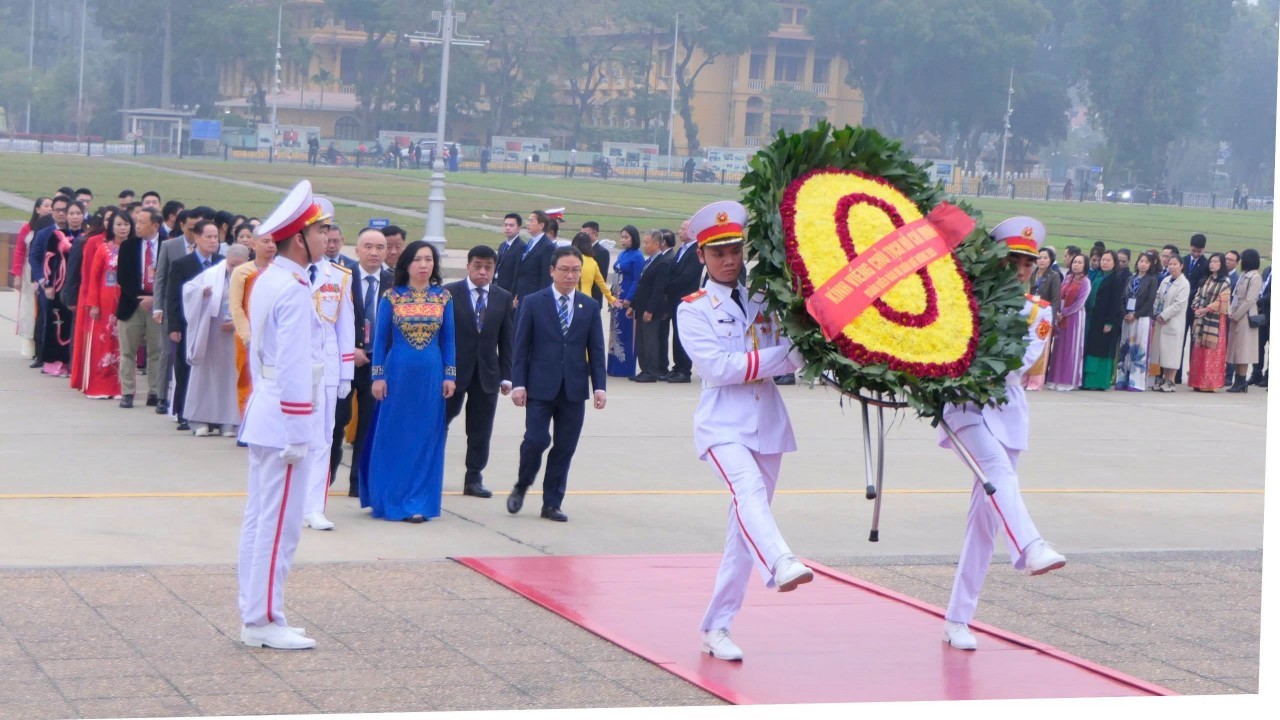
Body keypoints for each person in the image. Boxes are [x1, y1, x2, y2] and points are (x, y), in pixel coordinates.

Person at [673, 201, 809, 662]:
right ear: (702, 257)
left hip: (767, 422)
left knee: (743, 532)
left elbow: (798, 356)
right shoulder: (692, 309)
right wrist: (777, 359)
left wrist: (785, 355)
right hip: (722, 424)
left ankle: (717, 625)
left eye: (734, 250)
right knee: (747, 492)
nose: (729, 260)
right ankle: (783, 562)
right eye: (718, 253)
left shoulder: (764, 300)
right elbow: (716, 367)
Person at [939, 216, 1066, 652]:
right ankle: (1031, 545)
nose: (1019, 269)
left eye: (1027, 263)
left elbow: (1020, 362)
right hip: (963, 407)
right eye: (1012, 259)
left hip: (1005, 410)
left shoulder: (1039, 310)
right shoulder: (964, 298)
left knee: (984, 522)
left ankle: (958, 617)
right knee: (998, 473)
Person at [237, 179, 330, 650]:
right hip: (284, 418)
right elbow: (293, 366)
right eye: (322, 230)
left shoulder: (271, 279)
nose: (328, 238)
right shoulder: (291, 287)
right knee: (279, 525)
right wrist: (300, 429)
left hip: (267, 411)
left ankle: (257, 612)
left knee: (261, 519)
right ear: (301, 238)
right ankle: (264, 619)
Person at [505, 246, 607, 523]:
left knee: (565, 447)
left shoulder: (589, 306)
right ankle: (522, 484)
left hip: (573, 389)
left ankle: (552, 502)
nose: (571, 275)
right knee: (536, 440)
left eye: (576, 270)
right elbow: (521, 347)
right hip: (539, 386)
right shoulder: (533, 302)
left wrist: (599, 386)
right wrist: (518, 384)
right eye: (565, 269)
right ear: (552, 271)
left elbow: (596, 350)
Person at [359, 241, 456, 523]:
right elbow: (379, 340)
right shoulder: (392, 297)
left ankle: (419, 502)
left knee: (426, 437)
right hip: (397, 374)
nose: (424, 265)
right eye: (417, 260)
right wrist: (377, 375)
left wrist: (450, 374)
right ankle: (390, 498)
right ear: (407, 264)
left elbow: (448, 339)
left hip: (431, 376)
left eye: (428, 260)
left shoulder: (444, 298)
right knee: (394, 435)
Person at [445, 245, 514, 499]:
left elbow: (508, 340)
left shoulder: (503, 297)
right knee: (440, 422)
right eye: (477, 266)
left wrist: (507, 375)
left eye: (488, 267)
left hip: (487, 373)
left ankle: (473, 477)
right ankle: (430, 471)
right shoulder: (449, 293)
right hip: (453, 374)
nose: (482, 272)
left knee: (480, 429)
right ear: (468, 266)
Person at [302, 229, 356, 531]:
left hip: (326, 370)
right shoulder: (282, 274)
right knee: (290, 440)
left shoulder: (337, 276)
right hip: (292, 370)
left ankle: (314, 507)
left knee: (323, 439)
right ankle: (290, 505)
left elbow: (344, 328)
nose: (326, 241)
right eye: (318, 234)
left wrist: (345, 374)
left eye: (328, 234)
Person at [182, 245, 248, 436]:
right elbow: (188, 290)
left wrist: (237, 323)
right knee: (207, 376)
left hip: (236, 335)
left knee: (232, 377)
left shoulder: (251, 277)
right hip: (212, 333)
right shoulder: (211, 274)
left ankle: (230, 421)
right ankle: (200, 419)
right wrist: (201, 294)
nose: (233, 270)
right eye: (231, 265)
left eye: (238, 266)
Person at [166, 220, 226, 431]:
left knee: (212, 370)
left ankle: (213, 414)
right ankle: (184, 412)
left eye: (216, 238)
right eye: (208, 237)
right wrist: (173, 326)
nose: (213, 241)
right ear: (197, 238)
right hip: (188, 324)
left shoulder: (222, 263)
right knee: (185, 368)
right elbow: (173, 297)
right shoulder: (182, 264)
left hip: (214, 326)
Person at [347, 228, 392, 497]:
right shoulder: (342, 278)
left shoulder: (395, 283)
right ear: (357, 250)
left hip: (378, 365)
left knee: (368, 428)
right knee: (336, 421)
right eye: (368, 246)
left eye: (380, 247)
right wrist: (348, 349)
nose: (374, 252)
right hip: (345, 362)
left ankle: (358, 483)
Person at [114, 209, 166, 409]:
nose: (137, 226)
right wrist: (140, 298)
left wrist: (154, 298)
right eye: (137, 222)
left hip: (157, 306)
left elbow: (170, 276)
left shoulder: (168, 244)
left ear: (155, 225)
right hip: (132, 304)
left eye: (142, 222)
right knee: (128, 351)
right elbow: (123, 277)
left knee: (156, 351)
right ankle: (127, 392)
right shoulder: (129, 246)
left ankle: (154, 391)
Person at [35, 200, 85, 377]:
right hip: (59, 285)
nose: (74, 217)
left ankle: (75, 362)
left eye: (78, 213)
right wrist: (48, 285)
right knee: (58, 323)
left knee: (77, 323)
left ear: (84, 215)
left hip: (81, 285)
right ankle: (56, 363)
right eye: (70, 213)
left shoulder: (87, 235)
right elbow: (48, 260)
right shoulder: (56, 235)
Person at [231, 232, 277, 417]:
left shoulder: (281, 270)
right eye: (265, 241)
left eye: (274, 242)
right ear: (253, 244)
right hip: (247, 336)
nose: (271, 246)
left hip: (274, 336)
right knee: (247, 380)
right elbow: (236, 307)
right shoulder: (242, 272)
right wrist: (248, 336)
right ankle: (247, 423)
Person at [629, 229, 673, 382]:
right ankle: (644, 369)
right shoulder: (649, 261)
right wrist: (633, 305)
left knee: (650, 340)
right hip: (641, 307)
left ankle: (651, 371)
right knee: (641, 340)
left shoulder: (662, 263)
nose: (644, 246)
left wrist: (650, 310)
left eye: (647, 243)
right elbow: (641, 285)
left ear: (657, 244)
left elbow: (658, 290)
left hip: (651, 310)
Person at [12, 197, 53, 359]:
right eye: (46, 206)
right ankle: (29, 345)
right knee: (29, 308)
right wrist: (17, 274)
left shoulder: (53, 227)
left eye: (51, 206)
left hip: (47, 269)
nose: (49, 209)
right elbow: (20, 251)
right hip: (30, 270)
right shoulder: (27, 228)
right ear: (37, 209)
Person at [1115, 251, 1160, 392]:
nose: (1143, 264)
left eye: (1146, 262)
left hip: (1141, 318)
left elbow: (1150, 301)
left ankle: (1136, 381)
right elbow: (1123, 297)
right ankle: (1122, 379)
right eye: (1141, 261)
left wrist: (1136, 314)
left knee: (1138, 347)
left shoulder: (1152, 280)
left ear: (1151, 264)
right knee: (1125, 347)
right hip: (1127, 317)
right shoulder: (1131, 278)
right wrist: (1125, 313)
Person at [665, 220, 703, 383]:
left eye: (683, 229)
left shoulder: (696, 250)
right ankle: (678, 366)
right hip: (675, 298)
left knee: (684, 334)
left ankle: (684, 369)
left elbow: (688, 276)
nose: (679, 231)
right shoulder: (682, 249)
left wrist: (668, 286)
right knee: (677, 333)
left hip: (686, 297)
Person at [1187, 253, 1231, 392]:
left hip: (1215, 321)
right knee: (1199, 350)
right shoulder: (1206, 279)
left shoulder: (1225, 281)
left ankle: (1210, 383)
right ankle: (1197, 381)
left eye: (1216, 262)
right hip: (1201, 319)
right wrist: (1196, 308)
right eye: (1211, 261)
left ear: (1221, 264)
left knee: (1212, 352)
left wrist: (1206, 309)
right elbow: (1198, 295)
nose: (1212, 264)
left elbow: (1221, 302)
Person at [1045, 255, 1090, 392]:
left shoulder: (1085, 282)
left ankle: (1069, 380)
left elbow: (1079, 303)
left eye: (1079, 262)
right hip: (1061, 316)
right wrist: (1058, 312)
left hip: (1074, 318)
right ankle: (1055, 378)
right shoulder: (1067, 278)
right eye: (1075, 262)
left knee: (1071, 348)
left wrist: (1064, 313)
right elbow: (1059, 295)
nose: (1076, 265)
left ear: (1084, 265)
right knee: (1058, 348)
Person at [1081, 251, 1123, 390]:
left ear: (1114, 263)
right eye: (1103, 260)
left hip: (1106, 320)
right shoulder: (1097, 275)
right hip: (1093, 317)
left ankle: (1099, 382)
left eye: (1108, 260)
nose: (1104, 262)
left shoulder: (1115, 279)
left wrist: (1109, 322)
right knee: (1091, 348)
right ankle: (1088, 380)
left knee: (1102, 350)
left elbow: (1115, 303)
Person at [608, 225, 645, 378]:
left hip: (626, 298)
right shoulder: (623, 254)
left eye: (626, 237)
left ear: (633, 238)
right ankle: (613, 366)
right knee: (615, 332)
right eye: (622, 237)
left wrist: (629, 298)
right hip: (616, 297)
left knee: (626, 331)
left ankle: (625, 367)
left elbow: (638, 279)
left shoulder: (637, 256)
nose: (622, 240)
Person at [1151, 255, 1191, 392]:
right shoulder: (1166, 280)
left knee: (1171, 352)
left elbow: (1178, 304)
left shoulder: (1184, 283)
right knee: (1159, 352)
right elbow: (1157, 297)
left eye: (1175, 264)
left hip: (1173, 322)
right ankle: (1159, 377)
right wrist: (1156, 312)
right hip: (1160, 321)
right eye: (1170, 264)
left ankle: (1170, 380)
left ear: (1181, 266)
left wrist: (1164, 315)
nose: (1172, 267)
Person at [1023, 247, 1062, 390]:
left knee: (1040, 350)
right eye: (1039, 257)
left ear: (1051, 260)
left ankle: (1035, 381)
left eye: (1045, 257)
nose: (1041, 260)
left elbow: (1055, 299)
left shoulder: (1054, 276)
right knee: (1027, 347)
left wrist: (1051, 319)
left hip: (1044, 317)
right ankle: (1024, 378)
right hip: (1031, 315)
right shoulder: (1033, 274)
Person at [1225, 249, 1262, 394]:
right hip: (1237, 314)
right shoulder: (1244, 275)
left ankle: (1241, 380)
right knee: (1236, 349)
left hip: (1245, 317)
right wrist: (1231, 311)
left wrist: (1236, 315)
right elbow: (1235, 296)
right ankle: (1238, 380)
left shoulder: (1255, 277)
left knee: (1243, 350)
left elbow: (1249, 300)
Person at [511, 211, 556, 305]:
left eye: (531, 221)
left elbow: (546, 277)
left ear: (541, 225)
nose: (528, 223)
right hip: (522, 295)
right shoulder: (531, 242)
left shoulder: (547, 246)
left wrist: (542, 299)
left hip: (534, 296)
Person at [571, 232, 616, 307]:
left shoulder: (570, 259)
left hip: (572, 298)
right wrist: (611, 298)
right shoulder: (592, 262)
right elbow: (601, 283)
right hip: (587, 299)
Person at [494, 213, 526, 293]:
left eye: (511, 225)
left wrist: (514, 293)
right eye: (506, 225)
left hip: (508, 290)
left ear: (519, 228)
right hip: (496, 285)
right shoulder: (503, 245)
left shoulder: (521, 247)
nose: (507, 228)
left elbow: (517, 272)